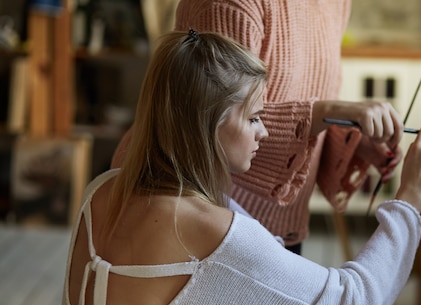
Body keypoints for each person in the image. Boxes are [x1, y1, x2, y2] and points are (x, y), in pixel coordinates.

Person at [53, 29, 421, 305]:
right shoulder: (209, 230)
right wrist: (410, 198)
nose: (264, 131)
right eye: (255, 118)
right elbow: (354, 303)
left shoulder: (102, 192)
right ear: (208, 126)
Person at [111, 0, 405, 255]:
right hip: (205, 223)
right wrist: (410, 203)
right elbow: (211, 125)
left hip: (276, 228)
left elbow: (296, 98)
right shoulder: (227, 4)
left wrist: (348, 137)